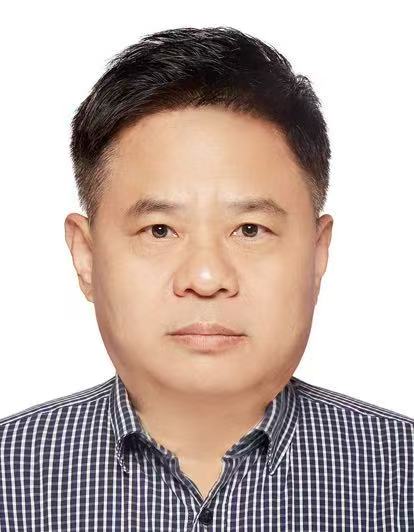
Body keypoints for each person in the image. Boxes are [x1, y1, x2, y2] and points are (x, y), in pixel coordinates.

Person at [0, 25, 412, 531]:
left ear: (316, 252)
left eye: (250, 229)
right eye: (159, 230)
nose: (206, 276)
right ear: (85, 256)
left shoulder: (402, 473)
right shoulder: (9, 475)